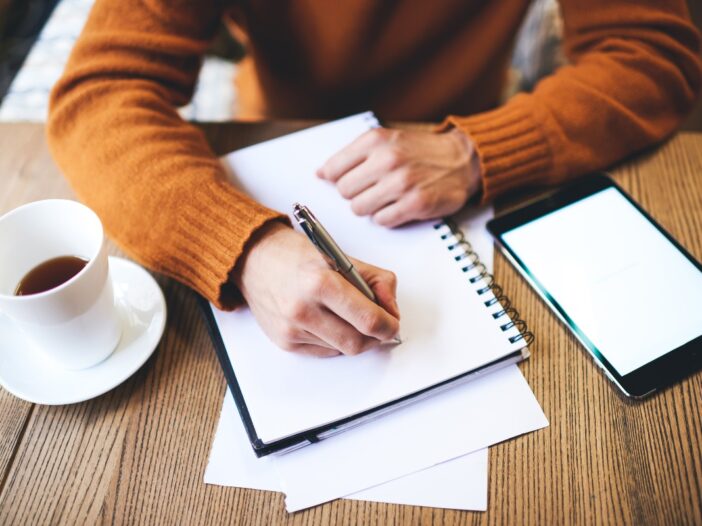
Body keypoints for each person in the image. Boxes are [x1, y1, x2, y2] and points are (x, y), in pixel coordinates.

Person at [47, 0, 701, 357]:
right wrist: (245, 248)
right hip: (275, 146)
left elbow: (651, 53)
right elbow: (99, 95)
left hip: (464, 149)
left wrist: (478, 150)